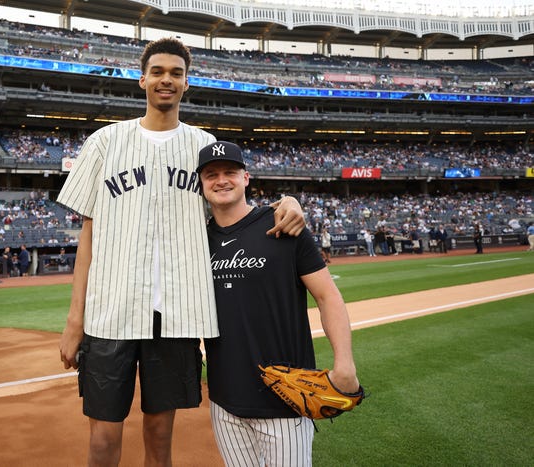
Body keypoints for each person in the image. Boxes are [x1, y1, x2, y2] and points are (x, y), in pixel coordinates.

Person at [56, 38, 305, 466]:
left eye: (175, 73)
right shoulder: (105, 141)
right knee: (101, 438)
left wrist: (288, 202)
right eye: (157, 72)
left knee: (159, 436)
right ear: (142, 80)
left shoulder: (202, 145)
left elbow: (234, 201)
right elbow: (89, 236)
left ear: (186, 83)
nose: (165, 80)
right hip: (110, 312)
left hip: (174, 317)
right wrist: (74, 319)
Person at [197, 141, 359, 466]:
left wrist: (345, 363)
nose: (221, 180)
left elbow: (328, 296)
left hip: (284, 395)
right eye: (211, 174)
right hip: (223, 399)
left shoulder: (285, 226)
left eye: (230, 172)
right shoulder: (196, 240)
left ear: (246, 177)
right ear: (201, 184)